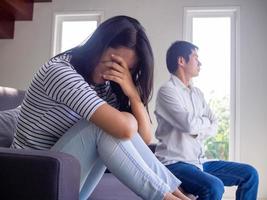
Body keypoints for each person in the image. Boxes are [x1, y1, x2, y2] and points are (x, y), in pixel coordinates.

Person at [10, 16, 191, 200]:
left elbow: (143, 138)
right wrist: (126, 122)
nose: (113, 73)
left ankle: (180, 196)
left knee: (111, 128)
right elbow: (124, 129)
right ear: (98, 46)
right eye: (113, 63)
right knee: (102, 128)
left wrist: (134, 96)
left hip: (62, 181)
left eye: (124, 70)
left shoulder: (104, 86)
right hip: (31, 181)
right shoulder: (60, 72)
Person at [154, 40, 259, 200]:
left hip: (200, 162)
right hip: (174, 163)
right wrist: (199, 126)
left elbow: (214, 124)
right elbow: (188, 125)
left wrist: (196, 130)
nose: (200, 62)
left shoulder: (197, 93)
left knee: (250, 174)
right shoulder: (167, 91)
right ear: (181, 61)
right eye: (195, 57)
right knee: (214, 186)